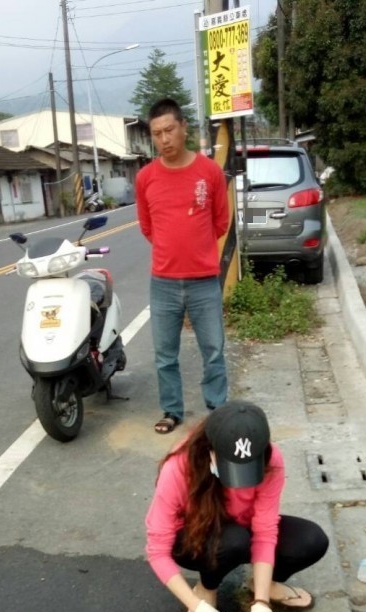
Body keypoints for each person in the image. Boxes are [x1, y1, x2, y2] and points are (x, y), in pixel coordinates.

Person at [145, 401, 330, 612]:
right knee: (233, 540)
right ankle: (207, 587)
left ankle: (263, 585)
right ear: (209, 450)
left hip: (243, 531)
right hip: (196, 539)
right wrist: (196, 606)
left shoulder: (271, 459)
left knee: (311, 540)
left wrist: (262, 606)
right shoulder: (179, 467)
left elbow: (265, 530)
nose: (238, 484)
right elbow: (157, 552)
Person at [135, 97, 229, 435]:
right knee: (164, 354)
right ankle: (172, 410)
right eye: (157, 133)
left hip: (204, 280)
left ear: (184, 127)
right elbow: (148, 227)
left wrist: (196, 250)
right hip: (163, 282)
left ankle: (218, 409)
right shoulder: (146, 178)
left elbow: (221, 221)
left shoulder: (209, 171)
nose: (164, 139)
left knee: (213, 350)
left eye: (169, 130)